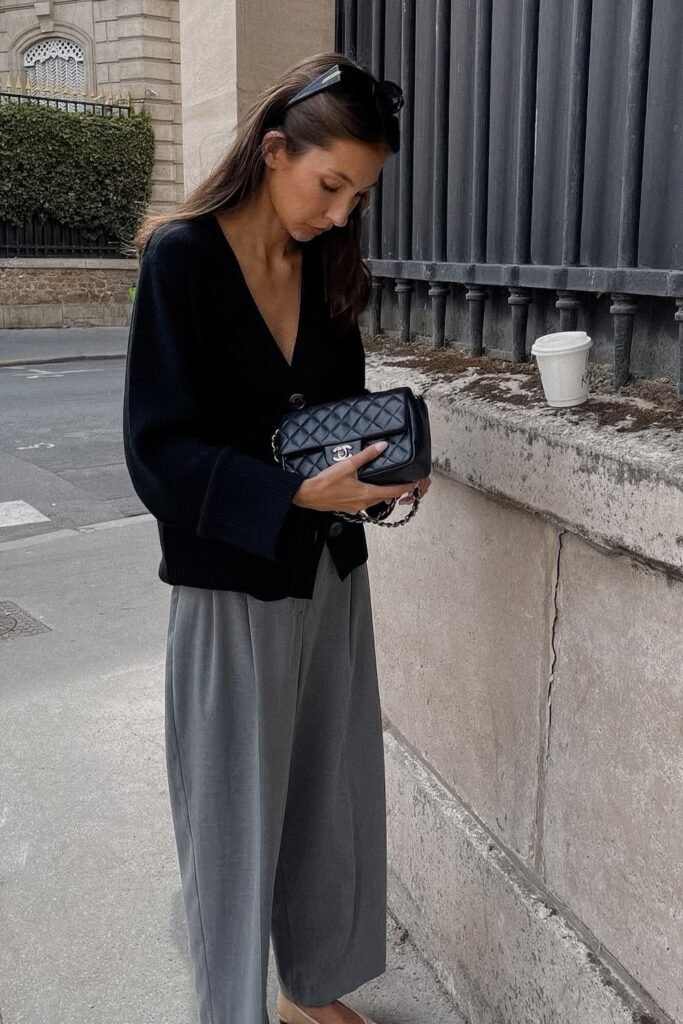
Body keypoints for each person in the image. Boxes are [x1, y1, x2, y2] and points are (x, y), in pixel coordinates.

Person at [123, 52, 431, 1024]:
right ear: (272, 152)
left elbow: (337, 422)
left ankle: (309, 989)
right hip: (230, 585)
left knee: (327, 801)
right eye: (329, 184)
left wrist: (379, 480)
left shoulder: (326, 267)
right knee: (229, 821)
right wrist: (292, 496)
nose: (340, 214)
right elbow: (157, 451)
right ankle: (231, 1010)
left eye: (359, 195)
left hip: (329, 574)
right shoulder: (182, 260)